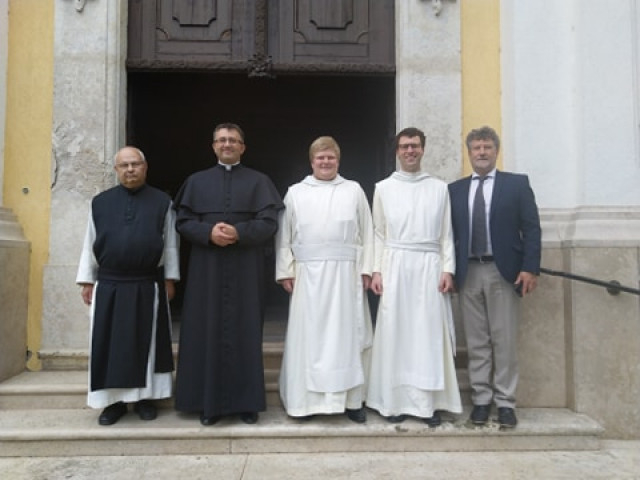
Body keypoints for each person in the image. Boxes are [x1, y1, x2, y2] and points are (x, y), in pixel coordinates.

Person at [173, 123, 283, 426]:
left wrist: (239, 232)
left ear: (242, 147)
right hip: (206, 268)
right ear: (213, 146)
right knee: (204, 331)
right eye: (221, 140)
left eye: (233, 140)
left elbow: (270, 222)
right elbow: (183, 222)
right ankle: (206, 403)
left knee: (246, 331)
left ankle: (247, 403)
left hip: (246, 267)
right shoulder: (196, 182)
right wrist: (208, 232)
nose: (227, 144)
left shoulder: (260, 181)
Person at [76, 146, 179, 426]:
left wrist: (170, 279)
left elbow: (170, 244)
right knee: (111, 345)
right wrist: (87, 280)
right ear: (116, 170)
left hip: (147, 283)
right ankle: (114, 403)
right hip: (109, 285)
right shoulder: (100, 203)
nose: (130, 169)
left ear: (145, 167)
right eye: (124, 165)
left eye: (135, 164)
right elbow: (89, 242)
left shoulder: (162, 202)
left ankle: (146, 399)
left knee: (147, 344)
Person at [366, 127, 462, 426]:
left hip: (429, 268)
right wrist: (377, 270)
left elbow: (446, 233)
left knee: (426, 335)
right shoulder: (383, 188)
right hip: (394, 265)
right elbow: (378, 233)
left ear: (423, 149)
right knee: (396, 334)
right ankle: (393, 402)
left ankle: (426, 405)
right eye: (405, 146)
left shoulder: (439, 188)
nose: (410, 151)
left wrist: (448, 269)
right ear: (397, 151)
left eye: (415, 146)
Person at [275, 136, 374, 423]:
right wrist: (286, 271)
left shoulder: (353, 190)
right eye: (321, 157)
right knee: (310, 340)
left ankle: (352, 401)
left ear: (338, 161)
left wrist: (367, 269)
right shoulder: (295, 193)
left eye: (331, 157)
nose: (326, 162)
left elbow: (368, 232)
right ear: (312, 161)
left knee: (346, 338)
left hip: (346, 276)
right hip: (308, 277)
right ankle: (304, 403)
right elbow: (284, 236)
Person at [449, 126, 541, 428]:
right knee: (477, 341)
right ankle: (481, 399)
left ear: (496, 151)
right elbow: (448, 234)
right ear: (469, 153)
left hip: (504, 272)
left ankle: (505, 402)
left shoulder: (516, 185)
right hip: (468, 272)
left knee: (504, 340)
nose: (482, 152)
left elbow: (532, 228)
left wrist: (530, 267)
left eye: (487, 147)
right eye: (476, 148)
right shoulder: (455, 190)